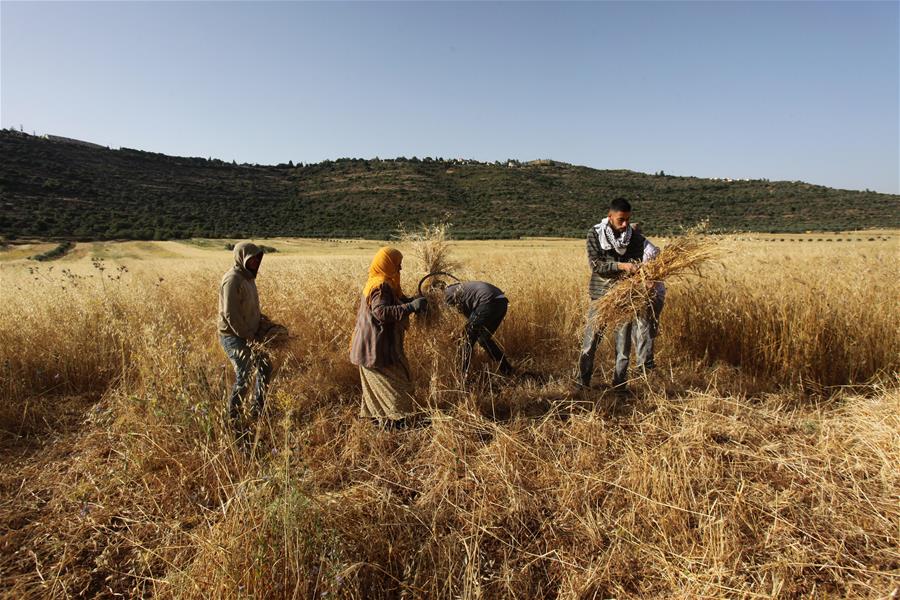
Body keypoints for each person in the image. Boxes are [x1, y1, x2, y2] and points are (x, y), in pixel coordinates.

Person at [350, 247, 427, 429]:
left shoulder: (380, 282)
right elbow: (381, 312)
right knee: (398, 383)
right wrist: (411, 308)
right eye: (397, 264)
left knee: (387, 385)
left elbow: (394, 302)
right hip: (375, 347)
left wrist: (410, 301)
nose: (399, 269)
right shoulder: (381, 285)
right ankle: (396, 422)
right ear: (387, 264)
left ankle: (383, 422)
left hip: (372, 344)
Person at [578, 198, 647, 392]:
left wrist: (632, 271)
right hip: (600, 295)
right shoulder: (595, 234)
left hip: (625, 295)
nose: (625, 224)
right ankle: (581, 384)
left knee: (623, 346)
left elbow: (637, 265)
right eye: (620, 220)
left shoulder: (635, 238)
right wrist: (622, 266)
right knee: (590, 342)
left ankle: (619, 386)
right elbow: (596, 265)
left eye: (627, 220)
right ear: (610, 216)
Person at [218, 242, 284, 436]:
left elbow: (251, 308)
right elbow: (231, 314)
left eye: (258, 258)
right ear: (242, 257)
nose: (255, 261)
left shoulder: (248, 278)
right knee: (245, 374)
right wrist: (249, 336)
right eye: (251, 258)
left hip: (251, 334)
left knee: (265, 367)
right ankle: (234, 419)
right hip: (233, 336)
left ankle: (258, 410)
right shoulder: (232, 280)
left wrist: (264, 324)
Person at [443, 281, 514, 379]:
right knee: (483, 339)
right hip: (501, 303)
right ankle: (507, 370)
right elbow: (471, 314)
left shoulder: (446, 294)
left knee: (466, 339)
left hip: (487, 302)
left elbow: (445, 317)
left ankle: (461, 375)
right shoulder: (459, 288)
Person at [630, 223, 665, 372]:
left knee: (644, 329)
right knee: (637, 329)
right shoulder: (636, 248)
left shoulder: (648, 251)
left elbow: (650, 281)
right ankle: (644, 361)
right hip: (639, 294)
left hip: (651, 295)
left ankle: (644, 366)